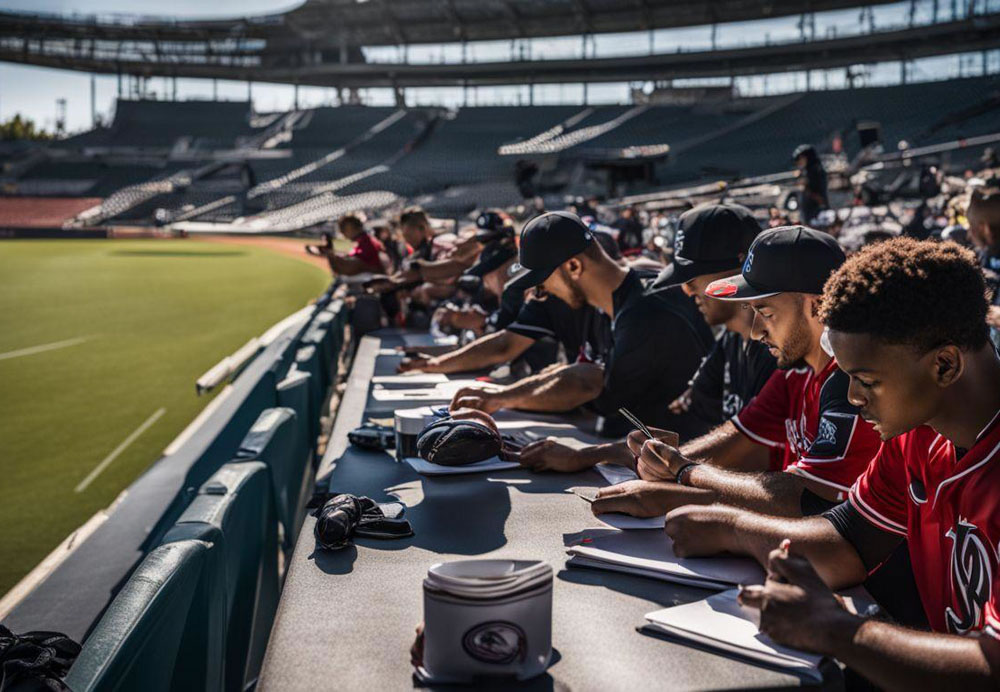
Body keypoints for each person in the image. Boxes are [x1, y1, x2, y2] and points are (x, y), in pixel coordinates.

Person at [662, 238, 1000, 690]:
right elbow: (848, 540)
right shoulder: (918, 436)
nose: (854, 398)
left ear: (943, 364)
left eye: (865, 381)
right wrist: (726, 526)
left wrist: (837, 631)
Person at [577, 226, 881, 519]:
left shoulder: (850, 381)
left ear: (817, 306)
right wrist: (669, 460)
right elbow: (738, 439)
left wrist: (684, 478)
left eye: (766, 313)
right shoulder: (796, 371)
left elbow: (810, 496)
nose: (755, 331)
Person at [450, 211, 714, 440]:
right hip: (654, 454)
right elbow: (579, 374)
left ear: (574, 266)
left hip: (690, 464)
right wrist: (501, 395)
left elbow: (589, 386)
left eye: (543, 282)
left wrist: (500, 397)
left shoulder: (645, 311)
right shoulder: (610, 304)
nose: (542, 293)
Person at [313, 213, 387, 276]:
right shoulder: (365, 241)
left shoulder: (366, 244)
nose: (342, 233)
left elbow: (346, 269)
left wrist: (329, 254)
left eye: (343, 229)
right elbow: (349, 258)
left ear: (351, 228)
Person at [793, 144, 828, 226]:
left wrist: (805, 187)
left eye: (801, 158)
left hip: (817, 212)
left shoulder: (816, 171)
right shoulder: (807, 171)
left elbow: (820, 197)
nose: (799, 162)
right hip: (810, 212)